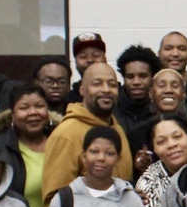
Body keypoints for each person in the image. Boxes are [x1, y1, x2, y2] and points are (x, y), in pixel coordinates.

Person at [41, 62, 131, 197]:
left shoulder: (117, 129)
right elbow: (56, 200)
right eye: (97, 84)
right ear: (82, 90)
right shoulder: (66, 134)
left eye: (112, 84)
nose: (106, 89)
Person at [115, 45, 160, 152]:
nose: (136, 82)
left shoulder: (161, 112)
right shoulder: (112, 111)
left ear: (153, 77)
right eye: (130, 77)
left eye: (143, 76)